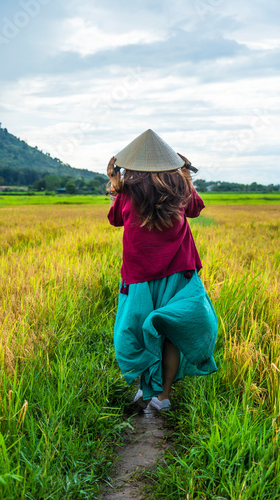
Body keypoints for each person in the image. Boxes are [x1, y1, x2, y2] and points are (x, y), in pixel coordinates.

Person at [106, 129, 218, 412]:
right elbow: (196, 209)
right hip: (178, 275)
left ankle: (144, 391)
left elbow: (115, 220)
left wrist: (114, 182)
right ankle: (162, 397)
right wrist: (186, 174)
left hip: (139, 277)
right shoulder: (180, 188)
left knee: (138, 332)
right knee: (168, 333)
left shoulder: (128, 191)